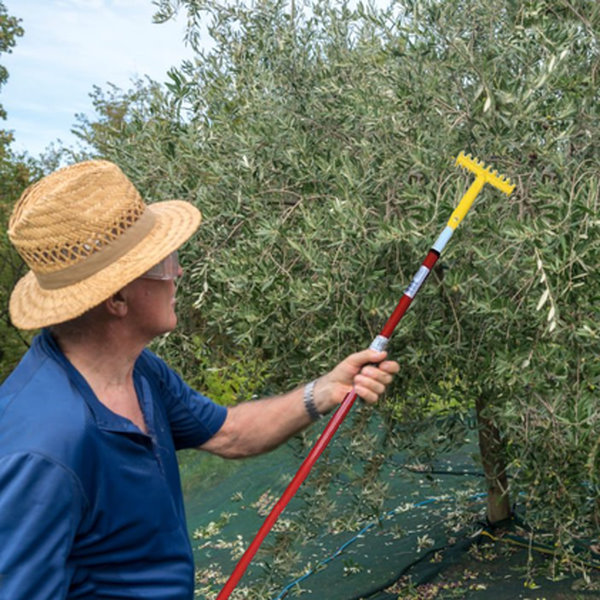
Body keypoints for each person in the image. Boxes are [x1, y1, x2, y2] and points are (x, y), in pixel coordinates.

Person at [0, 160, 399, 600]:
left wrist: (322, 391)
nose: (179, 273)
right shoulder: (43, 450)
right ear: (117, 297)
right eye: (164, 260)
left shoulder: (139, 371)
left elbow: (229, 433)